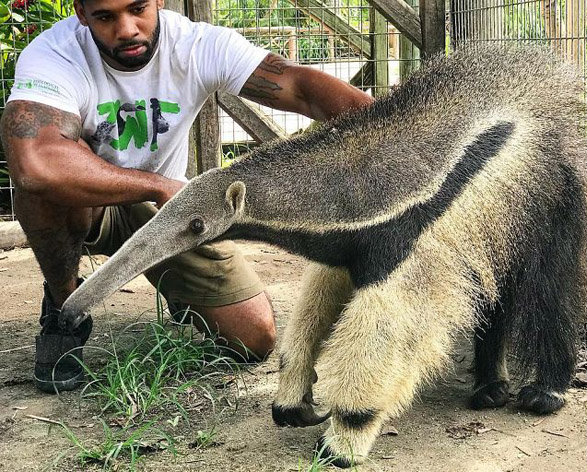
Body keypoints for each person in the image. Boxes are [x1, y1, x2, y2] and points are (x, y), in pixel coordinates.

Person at [0, 0, 373, 393]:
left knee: (254, 338)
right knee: (39, 188)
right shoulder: (55, 54)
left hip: (168, 214)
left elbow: (300, 88)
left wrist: (392, 124)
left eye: (137, 8)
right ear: (80, 12)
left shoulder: (197, 45)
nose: (127, 29)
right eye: (106, 17)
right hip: (90, 202)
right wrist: (159, 186)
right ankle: (63, 304)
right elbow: (37, 163)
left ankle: (180, 290)